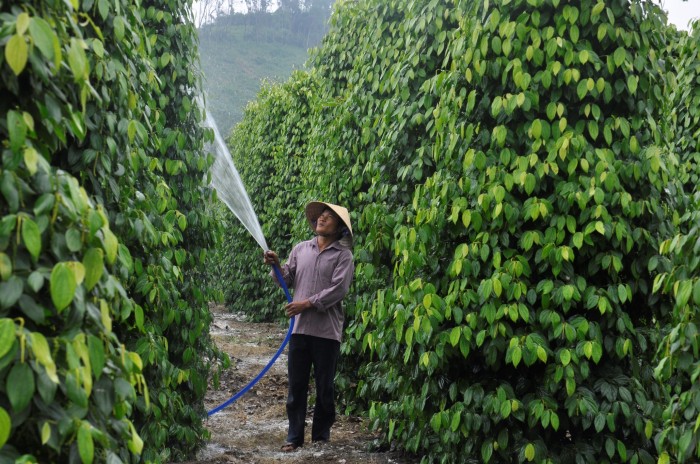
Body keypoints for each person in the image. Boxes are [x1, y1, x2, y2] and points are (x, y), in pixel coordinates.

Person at [263, 201, 355, 452]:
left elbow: (338, 290)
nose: (321, 219)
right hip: (300, 331)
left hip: (327, 333)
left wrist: (306, 304)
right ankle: (294, 437)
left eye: (329, 217)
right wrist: (276, 265)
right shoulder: (300, 249)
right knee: (296, 386)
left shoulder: (343, 256)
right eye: (320, 216)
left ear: (340, 229)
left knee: (325, 387)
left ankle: (320, 436)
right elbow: (287, 278)